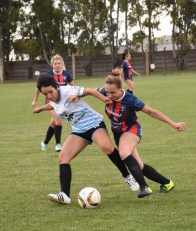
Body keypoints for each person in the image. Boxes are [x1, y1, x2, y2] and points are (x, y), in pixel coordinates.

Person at [32, 74, 141, 205]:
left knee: (107, 147)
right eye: (45, 94)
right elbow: (54, 106)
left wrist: (104, 99)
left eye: (50, 92)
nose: (49, 96)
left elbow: (89, 91)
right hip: (79, 131)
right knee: (63, 158)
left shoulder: (67, 90)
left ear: (57, 87)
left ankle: (128, 176)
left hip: (94, 124)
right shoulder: (53, 100)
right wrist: (41, 109)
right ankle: (65, 195)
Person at [94, 69, 186, 195]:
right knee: (139, 166)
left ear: (121, 88)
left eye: (112, 92)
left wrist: (173, 124)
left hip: (131, 130)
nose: (109, 95)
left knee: (123, 152)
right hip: (118, 135)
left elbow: (152, 112)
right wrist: (76, 95)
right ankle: (167, 183)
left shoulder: (130, 100)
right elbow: (90, 90)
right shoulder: (105, 91)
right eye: (107, 92)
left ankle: (144, 187)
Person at [32, 54, 74, 152]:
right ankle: (58, 145)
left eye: (59, 63)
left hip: (61, 103)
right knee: (59, 121)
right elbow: (38, 88)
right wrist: (35, 100)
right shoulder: (48, 75)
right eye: (55, 63)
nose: (57, 65)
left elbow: (73, 87)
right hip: (50, 103)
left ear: (62, 64)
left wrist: (74, 96)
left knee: (53, 123)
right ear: (52, 64)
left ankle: (45, 143)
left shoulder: (66, 74)